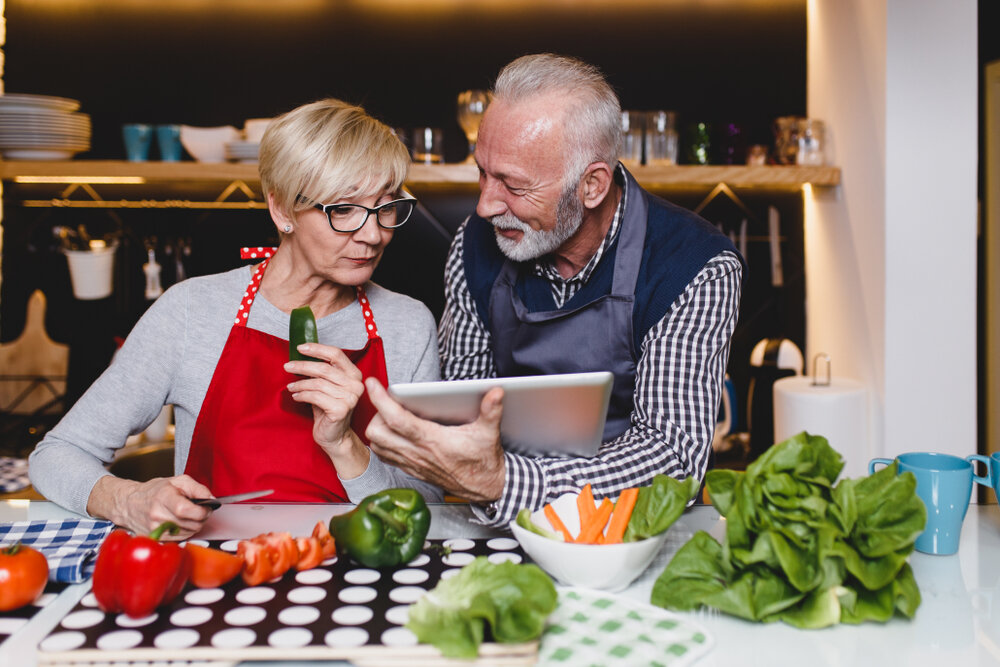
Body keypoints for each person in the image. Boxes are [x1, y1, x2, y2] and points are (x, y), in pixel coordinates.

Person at [29, 99, 442, 538]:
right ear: (281, 210)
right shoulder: (192, 310)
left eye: (386, 207)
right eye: (343, 209)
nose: (374, 234)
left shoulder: (408, 326)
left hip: (358, 579)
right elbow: (55, 455)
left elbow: (427, 506)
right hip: (215, 574)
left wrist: (344, 444)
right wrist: (130, 500)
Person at [364, 54, 743, 526]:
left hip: (630, 530)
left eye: (513, 185)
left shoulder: (695, 265)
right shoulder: (475, 244)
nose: (485, 206)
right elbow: (465, 404)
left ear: (592, 186)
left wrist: (506, 483)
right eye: (483, 172)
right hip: (500, 523)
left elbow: (671, 459)